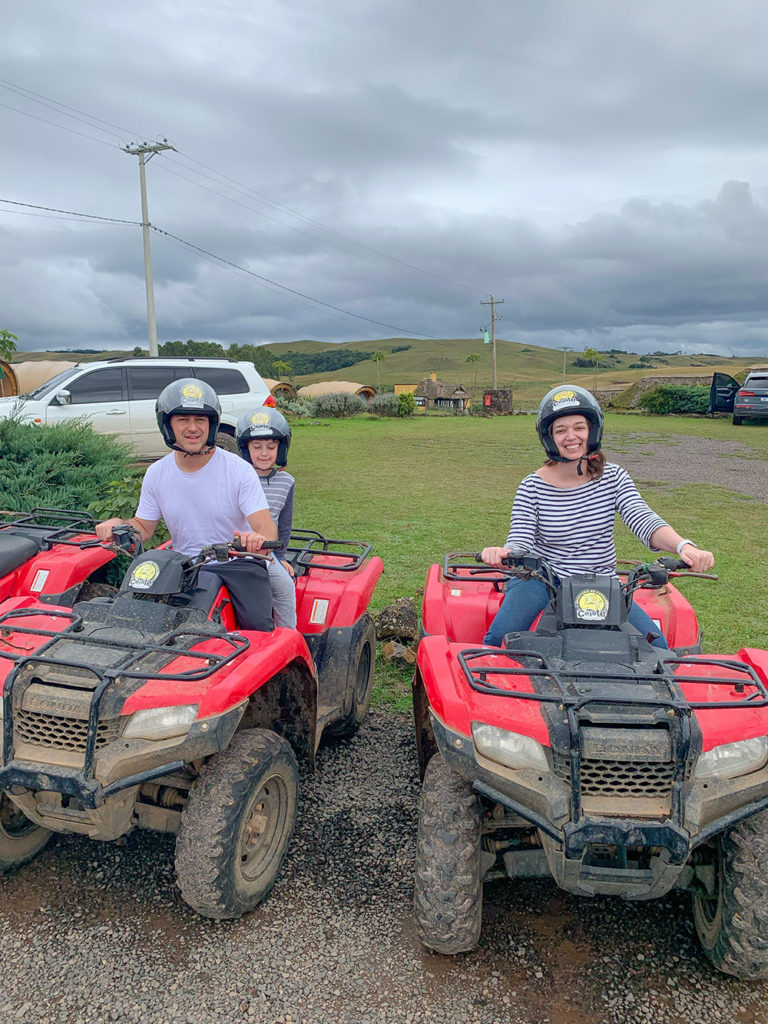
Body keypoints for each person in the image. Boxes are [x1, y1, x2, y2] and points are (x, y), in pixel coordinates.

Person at [481, 385, 715, 649]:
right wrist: (504, 552)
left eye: (578, 427)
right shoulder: (532, 486)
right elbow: (521, 538)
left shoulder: (613, 477)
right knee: (497, 640)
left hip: (600, 582)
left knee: (657, 647)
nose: (571, 437)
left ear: (592, 430)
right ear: (549, 438)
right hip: (542, 579)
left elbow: (643, 519)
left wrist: (684, 546)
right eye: (561, 430)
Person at [95, 378, 278, 631]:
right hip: (182, 568)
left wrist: (256, 540)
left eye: (200, 420)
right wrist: (120, 525)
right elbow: (143, 528)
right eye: (183, 419)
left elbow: (267, 530)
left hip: (237, 564)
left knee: (256, 633)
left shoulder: (238, 470)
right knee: (136, 625)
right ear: (167, 424)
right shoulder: (157, 473)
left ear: (211, 424)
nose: (193, 428)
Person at [236, 407, 297, 629]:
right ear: (245, 449)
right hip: (235, 549)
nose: (264, 453)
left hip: (265, 553)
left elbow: (284, 524)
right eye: (257, 446)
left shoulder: (286, 482)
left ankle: (288, 635)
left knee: (284, 588)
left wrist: (281, 558)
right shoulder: (236, 476)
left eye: (271, 447)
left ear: (281, 449)